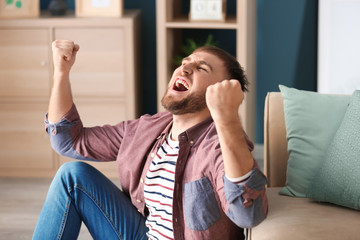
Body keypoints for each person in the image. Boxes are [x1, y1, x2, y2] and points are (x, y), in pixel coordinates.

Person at [33, 40, 268, 240]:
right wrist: (61, 71)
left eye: (201, 68)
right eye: (185, 63)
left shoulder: (219, 144)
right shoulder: (148, 129)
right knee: (72, 176)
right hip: (142, 234)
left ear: (220, 91)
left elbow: (249, 214)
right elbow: (67, 141)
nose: (184, 69)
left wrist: (226, 117)